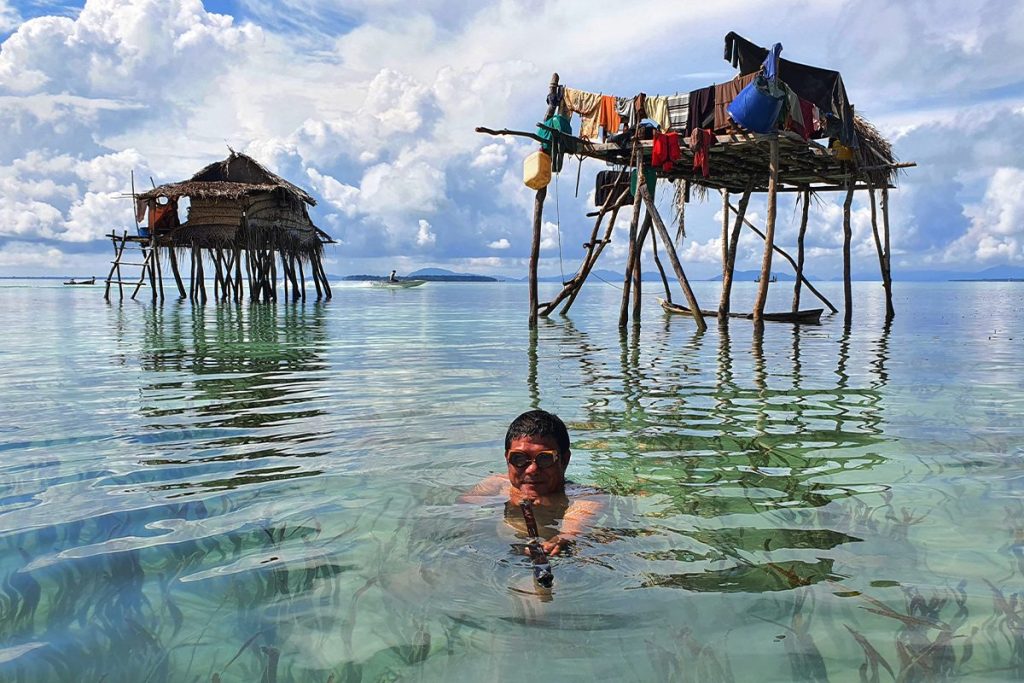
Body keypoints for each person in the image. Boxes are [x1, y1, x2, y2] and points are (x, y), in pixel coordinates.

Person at [461, 409, 602, 556]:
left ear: (564, 460)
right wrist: (502, 502)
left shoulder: (585, 496)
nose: (531, 469)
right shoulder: (497, 484)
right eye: (519, 458)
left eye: (545, 458)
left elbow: (571, 529)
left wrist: (557, 541)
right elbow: (461, 507)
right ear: (507, 458)